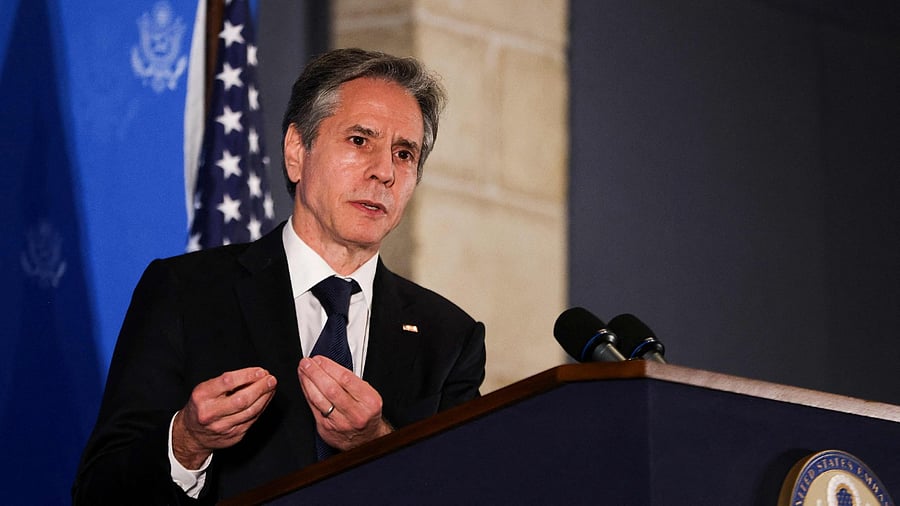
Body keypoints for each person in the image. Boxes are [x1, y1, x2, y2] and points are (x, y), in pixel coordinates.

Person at [73, 48, 486, 504]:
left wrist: (378, 443)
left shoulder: (448, 337)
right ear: (296, 151)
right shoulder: (187, 292)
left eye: (404, 154)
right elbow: (98, 492)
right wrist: (186, 441)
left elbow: (467, 493)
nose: (384, 172)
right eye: (359, 141)